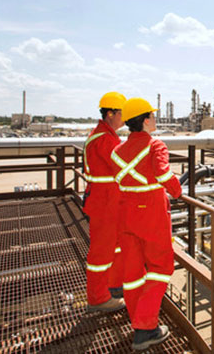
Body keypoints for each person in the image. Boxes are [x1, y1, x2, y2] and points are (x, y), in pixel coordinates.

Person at [111, 97, 181, 351]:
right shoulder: (155, 145)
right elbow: (163, 173)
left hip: (126, 213)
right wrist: (177, 190)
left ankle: (137, 321)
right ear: (144, 120)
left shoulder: (117, 151)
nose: (154, 119)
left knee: (132, 274)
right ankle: (145, 328)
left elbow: (118, 178)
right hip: (151, 213)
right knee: (161, 268)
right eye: (152, 116)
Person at [84, 91, 127, 312]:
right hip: (104, 204)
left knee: (115, 247)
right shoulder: (104, 140)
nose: (125, 118)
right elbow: (123, 167)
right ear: (110, 113)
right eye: (122, 113)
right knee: (101, 251)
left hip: (110, 202)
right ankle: (98, 298)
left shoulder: (106, 136)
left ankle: (113, 285)